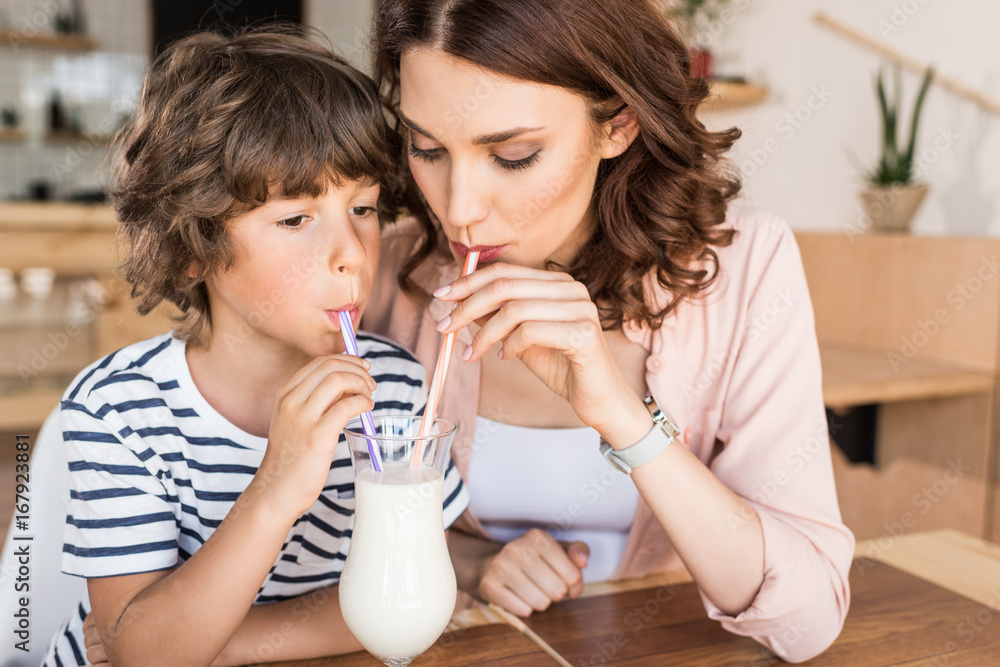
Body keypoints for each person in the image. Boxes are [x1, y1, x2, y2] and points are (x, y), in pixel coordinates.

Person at [364, 0, 854, 662]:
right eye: (426, 147)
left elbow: (808, 619)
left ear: (617, 123)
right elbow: (321, 531)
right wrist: (473, 559)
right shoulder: (386, 274)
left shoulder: (744, 268)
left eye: (512, 154)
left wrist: (624, 418)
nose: (458, 209)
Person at [42, 27, 468, 667]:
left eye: (364, 208)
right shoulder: (121, 413)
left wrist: (224, 644)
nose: (351, 254)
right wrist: (276, 487)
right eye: (296, 219)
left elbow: (407, 595)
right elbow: (145, 654)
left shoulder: (396, 387)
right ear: (192, 250)